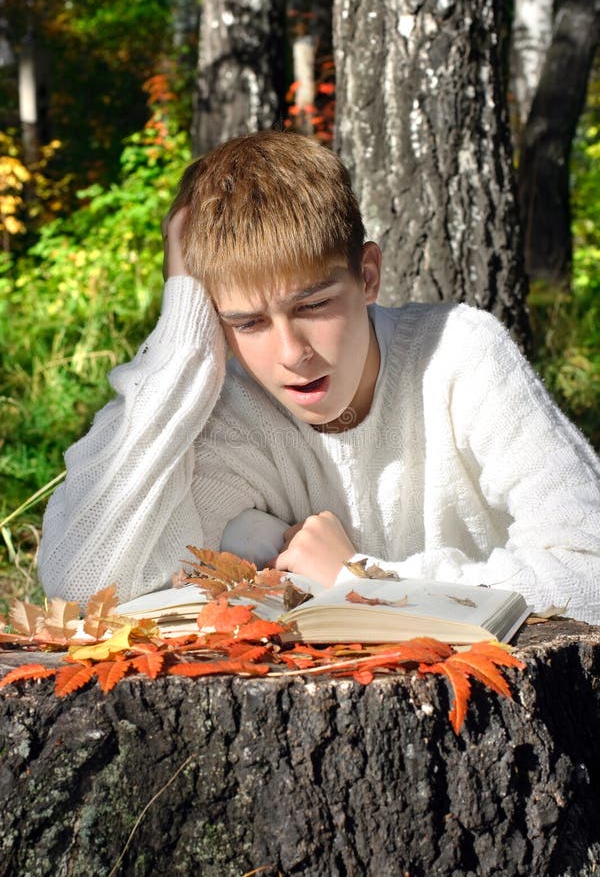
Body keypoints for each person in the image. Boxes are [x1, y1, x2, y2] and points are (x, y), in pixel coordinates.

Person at [38, 130, 600, 623]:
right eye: (249, 322)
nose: (290, 353)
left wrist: (369, 584)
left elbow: (589, 570)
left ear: (369, 275)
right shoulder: (234, 414)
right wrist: (181, 347)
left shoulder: (459, 354)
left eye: (313, 306)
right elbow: (84, 582)